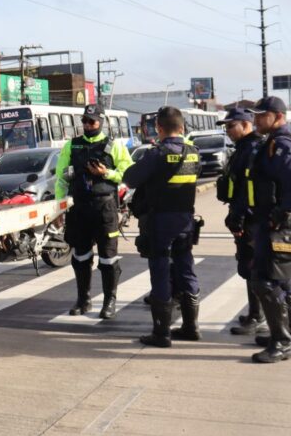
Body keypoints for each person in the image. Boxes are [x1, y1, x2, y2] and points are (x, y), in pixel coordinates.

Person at [123, 106, 201, 347]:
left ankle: (161, 333)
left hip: (161, 222)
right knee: (186, 269)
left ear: (158, 128)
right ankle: (190, 327)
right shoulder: (193, 152)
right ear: (182, 127)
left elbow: (131, 178)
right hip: (186, 222)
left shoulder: (157, 154)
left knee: (160, 273)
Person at [53, 104, 133, 319]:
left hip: (105, 207)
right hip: (79, 208)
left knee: (108, 258)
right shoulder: (72, 146)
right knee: (80, 257)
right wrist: (59, 207)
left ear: (101, 122)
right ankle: (83, 300)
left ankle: (109, 301)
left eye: (92, 121)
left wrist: (106, 173)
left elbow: (128, 172)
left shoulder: (113, 146)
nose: (87, 125)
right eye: (84, 121)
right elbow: (61, 177)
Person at [246, 96, 291, 363]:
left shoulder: (281, 146)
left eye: (261, 115)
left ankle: (281, 342)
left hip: (278, 223)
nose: (256, 120)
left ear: (278, 117)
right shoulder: (271, 143)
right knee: (280, 280)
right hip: (270, 220)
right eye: (255, 115)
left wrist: (281, 215)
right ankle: (286, 335)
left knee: (265, 280)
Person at [215, 107, 267, 336]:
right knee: (248, 266)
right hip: (249, 217)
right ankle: (255, 312)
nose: (228, 131)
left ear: (246, 125)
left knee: (253, 267)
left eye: (231, 126)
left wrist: (238, 218)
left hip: (251, 219)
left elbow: (247, 191)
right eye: (226, 127)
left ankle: (258, 316)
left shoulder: (251, 150)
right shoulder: (244, 148)